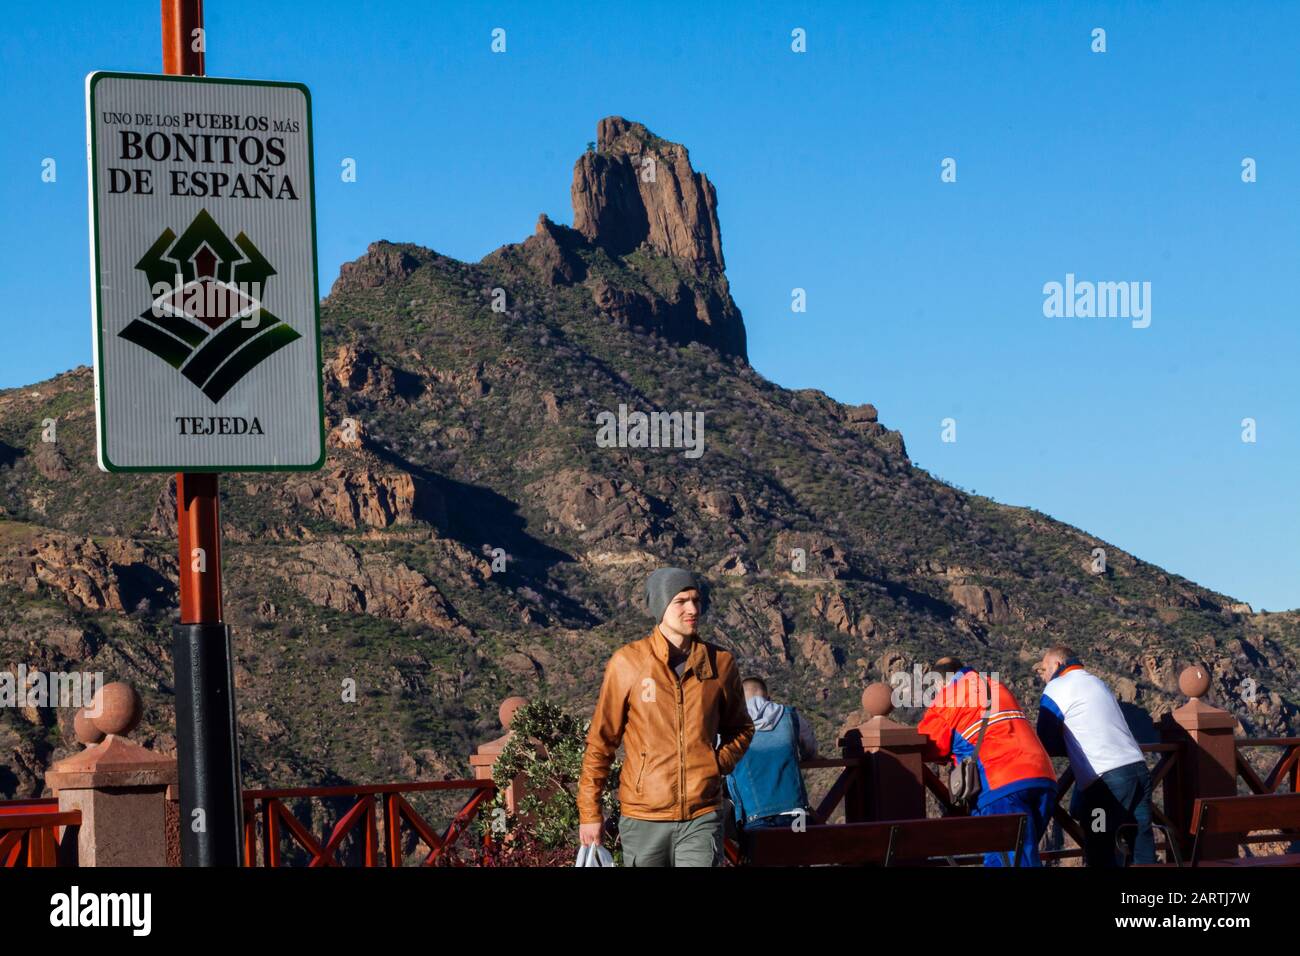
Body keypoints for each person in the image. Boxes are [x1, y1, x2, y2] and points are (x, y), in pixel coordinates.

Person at [577, 567, 754, 866]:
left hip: (701, 815)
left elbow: (742, 728)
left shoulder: (720, 663)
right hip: (643, 817)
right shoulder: (628, 663)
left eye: (696, 600)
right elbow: (601, 743)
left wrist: (715, 764)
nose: (692, 609)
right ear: (660, 606)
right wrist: (590, 812)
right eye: (681, 601)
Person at [918, 656, 1057, 866]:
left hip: (1002, 782)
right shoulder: (995, 685)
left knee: (1006, 860)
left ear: (940, 682)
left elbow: (929, 744)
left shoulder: (951, 696)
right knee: (1022, 857)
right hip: (1043, 777)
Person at [1035, 644, 1154, 866]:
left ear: (1058, 664)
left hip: (1107, 781)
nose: (1043, 676)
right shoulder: (1097, 681)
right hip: (1138, 769)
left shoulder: (1057, 687)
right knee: (1141, 841)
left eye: (1044, 669)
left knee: (1100, 842)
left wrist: (1070, 748)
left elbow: (1046, 740)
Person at [725, 677, 817, 831]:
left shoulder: (730, 726)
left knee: (760, 854)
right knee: (799, 852)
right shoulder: (791, 716)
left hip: (754, 816)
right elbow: (810, 748)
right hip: (797, 813)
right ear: (768, 698)